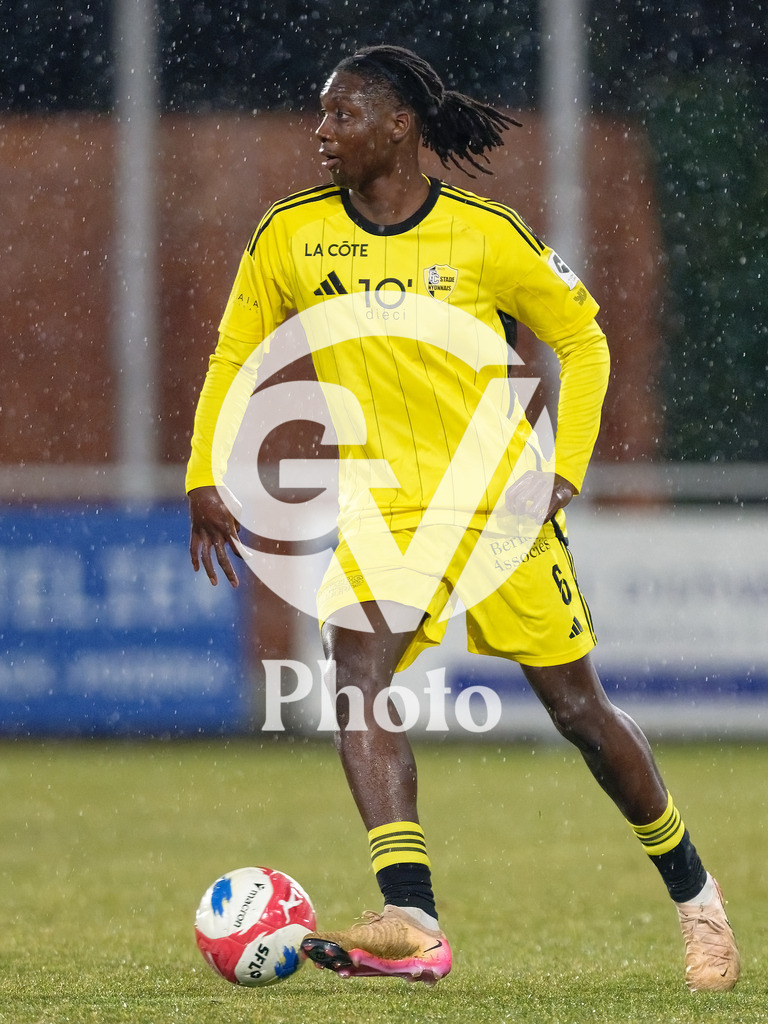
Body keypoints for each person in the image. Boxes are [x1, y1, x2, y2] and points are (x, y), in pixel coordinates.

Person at [186, 45, 739, 992]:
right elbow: (235, 352)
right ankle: (412, 917)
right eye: (321, 115)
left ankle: (696, 897)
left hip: (499, 505)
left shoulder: (486, 234)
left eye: (342, 114)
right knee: (355, 675)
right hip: (385, 509)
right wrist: (205, 471)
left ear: (399, 126)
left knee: (579, 712)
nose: (322, 133)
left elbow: (584, 338)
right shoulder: (289, 235)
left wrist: (563, 471)